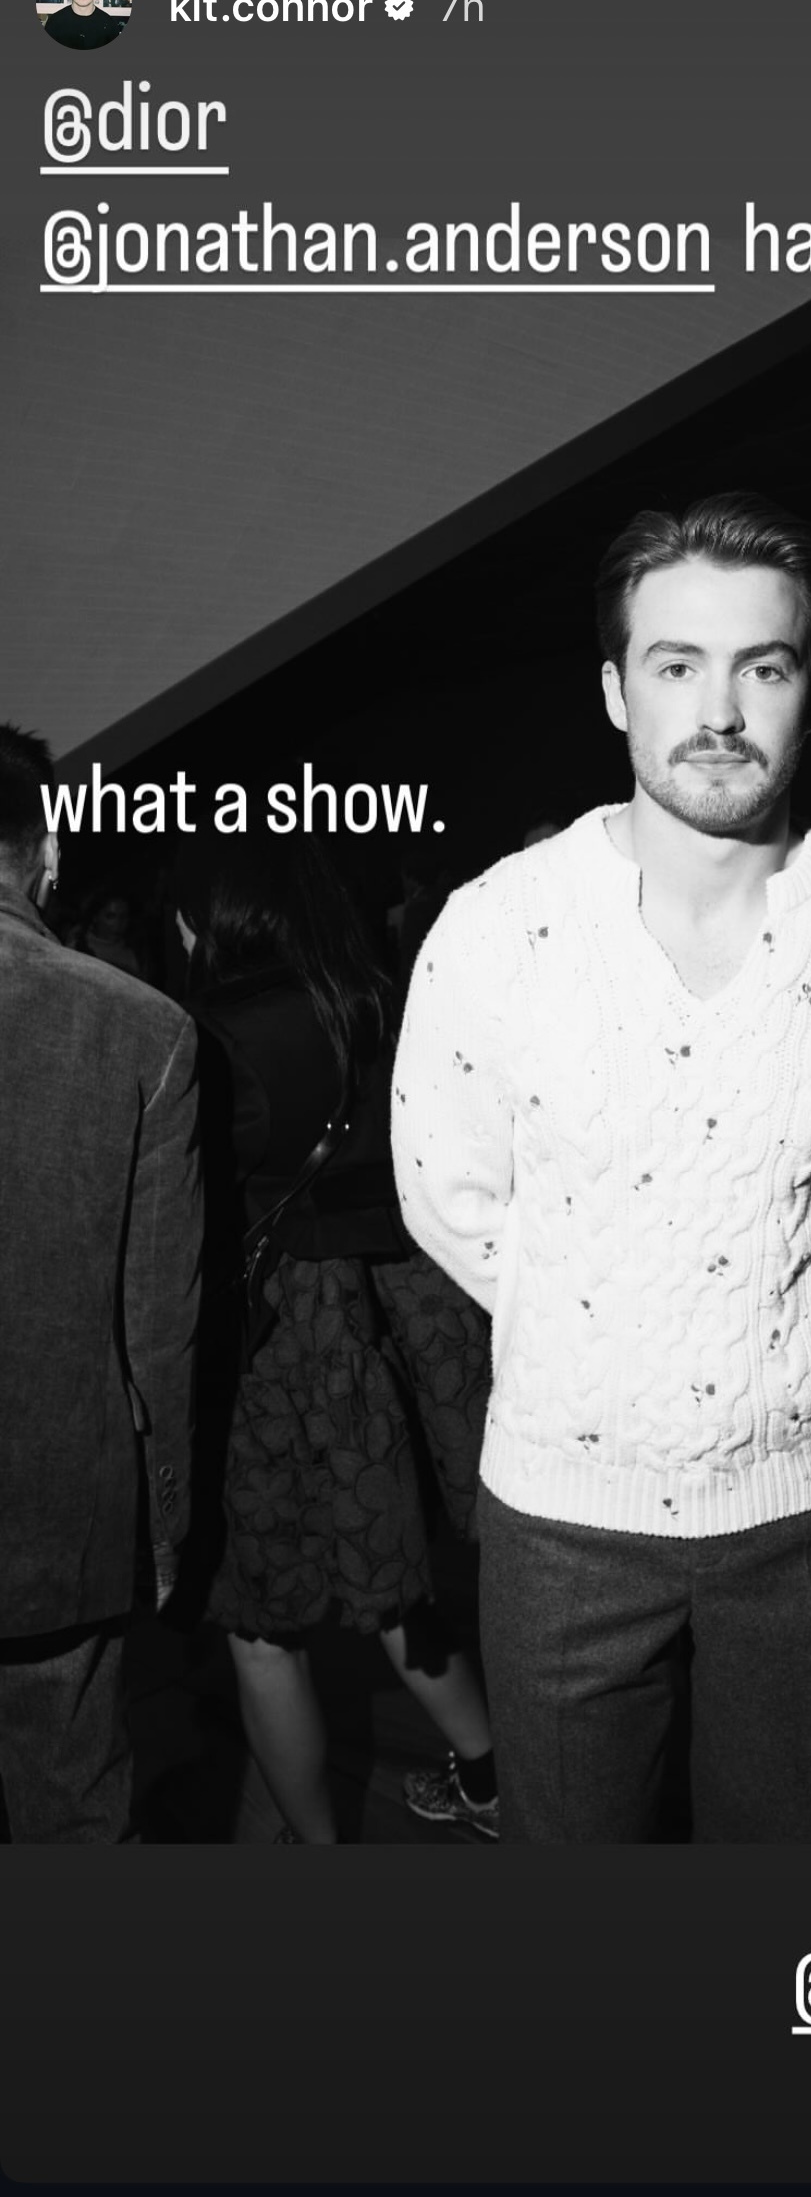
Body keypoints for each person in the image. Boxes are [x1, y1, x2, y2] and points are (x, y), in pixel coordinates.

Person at [392, 492, 811, 1844]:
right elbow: (449, 1194)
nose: (718, 710)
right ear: (615, 692)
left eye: (763, 666)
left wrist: (762, 1318)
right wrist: (601, 1318)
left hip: (802, 1506)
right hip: (558, 1519)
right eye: (675, 664)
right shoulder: (496, 930)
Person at [173, 818, 496, 1844]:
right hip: (387, 1322)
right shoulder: (376, 1004)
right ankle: (491, 1776)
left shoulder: (212, 1041)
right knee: (391, 1571)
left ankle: (318, 1853)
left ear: (213, 919)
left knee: (258, 1625)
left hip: (277, 1350)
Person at [0, 724, 200, 1843]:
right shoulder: (143, 1027)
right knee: (72, 1809)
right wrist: (164, 1532)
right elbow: (156, 1322)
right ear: (50, 852)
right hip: (51, 1510)